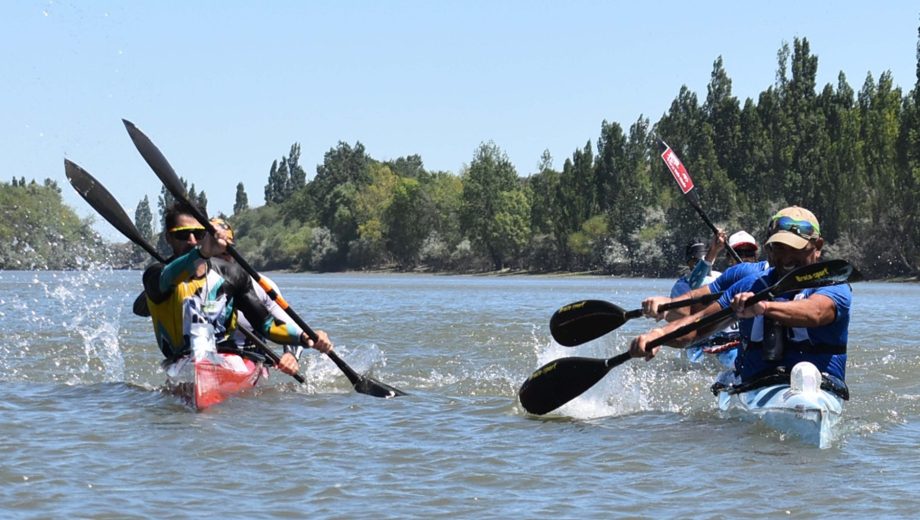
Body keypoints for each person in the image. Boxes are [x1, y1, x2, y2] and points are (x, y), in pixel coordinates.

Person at [629, 206, 851, 391]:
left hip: (820, 387)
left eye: (795, 248)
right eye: (778, 248)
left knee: (805, 374)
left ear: (818, 247)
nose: (786, 257)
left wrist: (764, 308)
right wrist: (657, 336)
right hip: (755, 387)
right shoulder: (750, 284)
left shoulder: (834, 284)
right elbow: (697, 326)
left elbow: (816, 312)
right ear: (768, 250)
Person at [142, 202, 332, 376]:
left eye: (198, 234)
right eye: (182, 235)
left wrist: (303, 336)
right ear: (168, 238)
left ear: (206, 235)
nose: (191, 240)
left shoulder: (233, 275)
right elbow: (168, 278)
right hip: (179, 362)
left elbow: (266, 325)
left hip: (227, 359)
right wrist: (201, 253)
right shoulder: (155, 275)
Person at [207, 217, 295, 348]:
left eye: (225, 252)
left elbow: (291, 327)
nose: (219, 261)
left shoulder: (261, 285)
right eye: (214, 253)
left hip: (248, 358)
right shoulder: (187, 286)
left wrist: (290, 356)